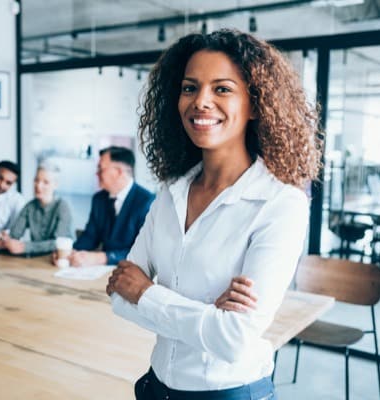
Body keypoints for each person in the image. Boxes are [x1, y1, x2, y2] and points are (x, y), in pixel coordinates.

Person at [106, 29, 322, 400]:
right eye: (190, 88)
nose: (200, 102)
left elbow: (234, 340)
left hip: (229, 393)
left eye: (222, 89)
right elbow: (118, 297)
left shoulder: (280, 203)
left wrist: (147, 292)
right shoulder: (171, 192)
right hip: (157, 387)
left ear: (256, 104)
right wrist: (206, 314)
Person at [68, 146, 154, 267]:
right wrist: (71, 253)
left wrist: (103, 257)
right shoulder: (99, 199)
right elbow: (90, 237)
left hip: (132, 273)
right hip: (100, 272)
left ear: (118, 171)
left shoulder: (147, 202)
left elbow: (145, 253)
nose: (96, 174)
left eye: (100, 169)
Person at [0, 161, 73, 255]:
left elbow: (58, 243)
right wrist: (6, 240)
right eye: (36, 180)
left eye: (46, 182)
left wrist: (25, 247)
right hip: (37, 260)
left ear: (55, 185)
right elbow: (14, 234)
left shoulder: (62, 207)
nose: (38, 186)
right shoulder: (29, 207)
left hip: (59, 260)